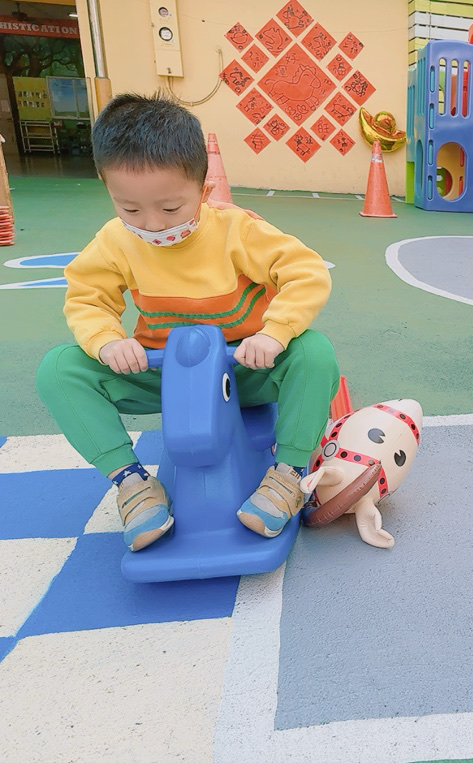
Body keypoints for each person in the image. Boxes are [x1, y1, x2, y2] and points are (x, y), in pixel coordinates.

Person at [36, 93, 339, 552]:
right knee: (59, 369)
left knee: (314, 353)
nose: (153, 224)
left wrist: (274, 334)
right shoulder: (115, 241)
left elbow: (306, 272)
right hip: (164, 376)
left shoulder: (237, 230)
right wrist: (108, 341)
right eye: (130, 209)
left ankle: (290, 473)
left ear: (204, 190)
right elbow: (86, 297)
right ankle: (131, 481)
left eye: (170, 208)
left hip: (246, 369)